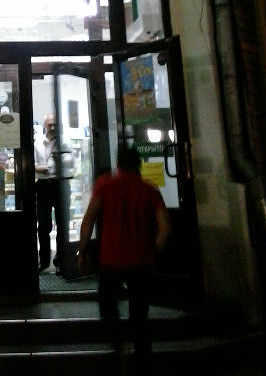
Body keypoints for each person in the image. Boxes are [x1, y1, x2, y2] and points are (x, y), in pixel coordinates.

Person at [78, 146, 171, 375]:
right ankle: (142, 361)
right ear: (139, 165)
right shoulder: (150, 190)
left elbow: (89, 218)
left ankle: (118, 343)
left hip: (111, 259)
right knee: (139, 312)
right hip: (142, 260)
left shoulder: (105, 185)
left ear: (118, 164)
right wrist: (155, 249)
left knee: (107, 305)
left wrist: (83, 250)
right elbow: (165, 226)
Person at [34, 113, 61, 272]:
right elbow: (32, 163)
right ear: (45, 126)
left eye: (54, 124)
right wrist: (38, 168)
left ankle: (60, 260)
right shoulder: (38, 143)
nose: (52, 127)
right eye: (49, 124)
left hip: (58, 184)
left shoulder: (63, 142)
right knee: (43, 224)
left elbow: (69, 163)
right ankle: (44, 260)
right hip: (43, 185)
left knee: (61, 223)